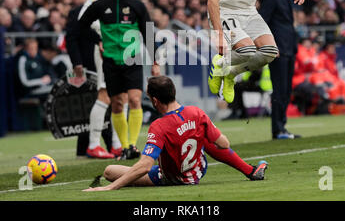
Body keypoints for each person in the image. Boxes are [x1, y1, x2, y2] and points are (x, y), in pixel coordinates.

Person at [83, 76, 268, 191]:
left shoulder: (158, 126)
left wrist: (109, 188)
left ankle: (250, 171)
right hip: (197, 171)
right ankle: (250, 171)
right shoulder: (197, 112)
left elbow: (145, 166)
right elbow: (224, 144)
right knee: (204, 135)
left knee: (109, 171)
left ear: (155, 101)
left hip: (170, 179)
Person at [78, 0, 161, 160]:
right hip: (110, 62)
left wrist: (155, 60)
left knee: (134, 100)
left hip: (132, 60)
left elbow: (148, 33)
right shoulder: (100, 5)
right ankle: (124, 147)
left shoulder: (136, 5)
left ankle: (132, 145)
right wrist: (97, 40)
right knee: (116, 104)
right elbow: (80, 26)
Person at [67, 0, 130, 159]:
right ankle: (93, 144)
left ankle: (118, 144)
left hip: (124, 49)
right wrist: (100, 38)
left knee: (123, 96)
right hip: (107, 48)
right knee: (105, 93)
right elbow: (83, 19)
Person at [258, 0, 301, 139]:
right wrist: (269, 45)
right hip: (278, 49)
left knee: (286, 89)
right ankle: (277, 129)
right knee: (279, 89)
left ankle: (282, 126)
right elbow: (263, 22)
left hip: (289, 48)